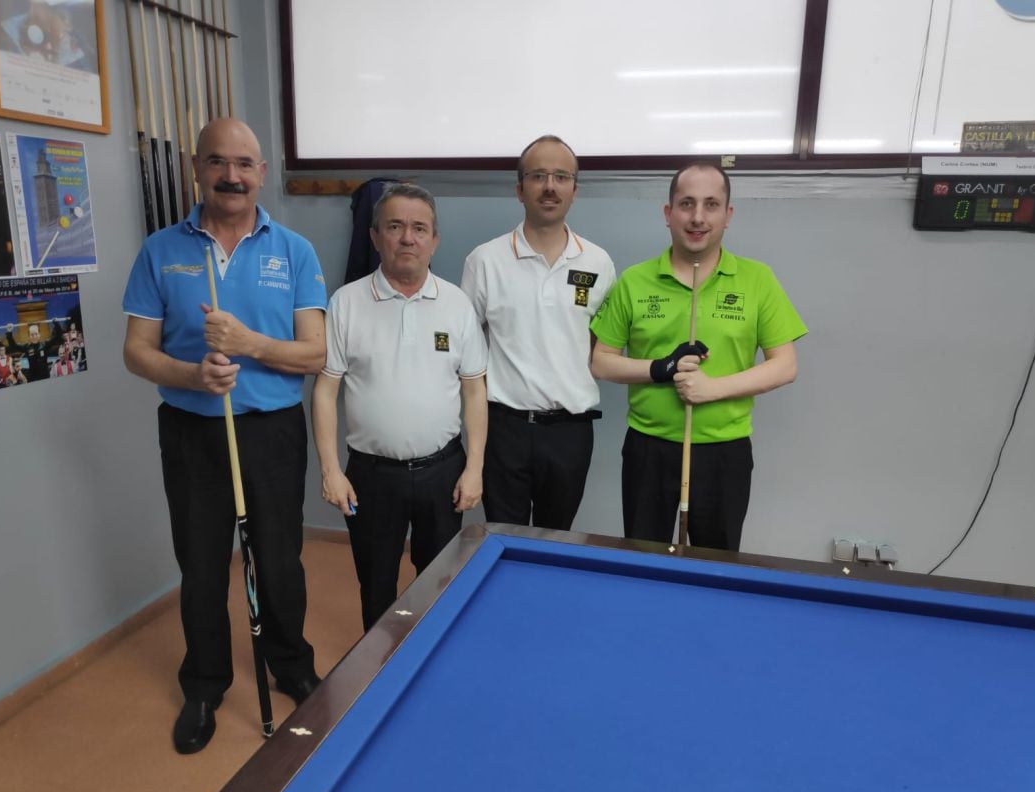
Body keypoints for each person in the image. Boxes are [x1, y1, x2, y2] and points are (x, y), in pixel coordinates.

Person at [122, 118, 327, 755]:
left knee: (280, 556)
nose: (231, 175)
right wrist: (192, 373)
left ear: (262, 173)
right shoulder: (161, 250)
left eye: (244, 163)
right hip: (192, 430)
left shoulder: (294, 250)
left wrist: (248, 345)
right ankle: (205, 683)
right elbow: (136, 352)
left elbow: (315, 354)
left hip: (271, 430)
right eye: (218, 162)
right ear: (197, 168)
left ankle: (290, 664)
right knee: (202, 561)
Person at [590, 161, 807, 551]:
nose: (697, 217)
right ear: (668, 213)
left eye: (711, 204)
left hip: (725, 450)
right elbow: (601, 361)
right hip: (648, 446)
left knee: (717, 564)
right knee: (643, 559)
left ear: (728, 215)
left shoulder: (758, 279)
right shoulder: (635, 280)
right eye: (686, 204)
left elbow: (785, 365)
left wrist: (713, 389)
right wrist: (660, 369)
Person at [313, 183, 488, 631]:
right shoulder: (346, 303)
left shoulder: (457, 304)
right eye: (395, 226)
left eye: (419, 228)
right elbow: (325, 391)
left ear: (434, 240)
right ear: (375, 237)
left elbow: (474, 391)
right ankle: (375, 671)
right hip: (370, 476)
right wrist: (332, 470)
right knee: (375, 586)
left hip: (443, 472)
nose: (407, 238)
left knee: (439, 581)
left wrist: (475, 469)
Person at [461, 135, 615, 530]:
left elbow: (602, 347)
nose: (550, 186)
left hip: (570, 431)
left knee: (555, 539)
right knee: (504, 537)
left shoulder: (598, 263)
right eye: (539, 176)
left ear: (575, 190)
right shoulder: (485, 260)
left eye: (561, 177)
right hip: (503, 429)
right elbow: (466, 350)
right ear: (520, 189)